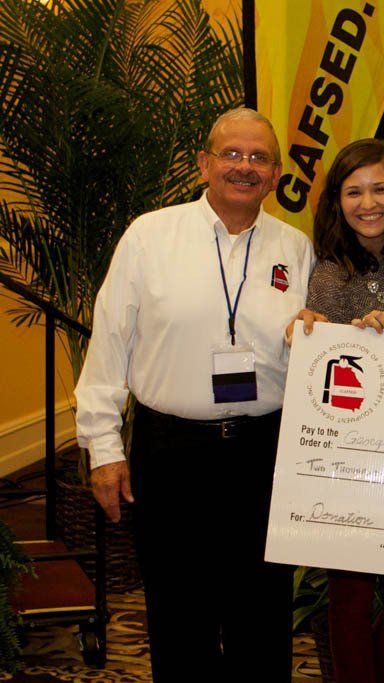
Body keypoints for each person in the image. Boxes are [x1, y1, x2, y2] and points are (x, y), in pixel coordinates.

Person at [74, 107, 314, 681]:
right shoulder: (149, 236)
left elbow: (310, 349)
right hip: (171, 453)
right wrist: (104, 450)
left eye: (259, 158)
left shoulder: (296, 248)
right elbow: (108, 345)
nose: (244, 167)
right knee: (180, 617)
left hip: (264, 454)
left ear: (276, 175)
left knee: (262, 615)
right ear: (203, 163)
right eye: (231, 153)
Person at [300, 138, 384, 683]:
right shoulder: (332, 273)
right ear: (337, 201)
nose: (368, 203)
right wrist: (345, 337)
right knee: (351, 593)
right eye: (353, 191)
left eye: (379, 188)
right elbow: (321, 369)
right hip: (352, 459)